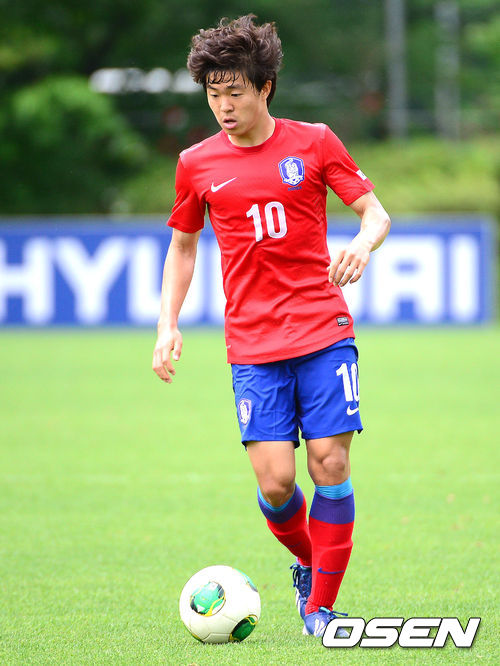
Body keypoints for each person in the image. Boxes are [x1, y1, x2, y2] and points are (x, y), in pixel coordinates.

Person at [152, 14, 390, 639]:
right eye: (213, 94)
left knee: (329, 463)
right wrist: (167, 324)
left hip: (323, 330)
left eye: (235, 92)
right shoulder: (196, 163)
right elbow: (183, 247)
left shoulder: (314, 142)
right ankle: (313, 563)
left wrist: (362, 244)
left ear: (265, 87)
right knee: (277, 483)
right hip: (253, 344)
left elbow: (374, 213)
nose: (223, 106)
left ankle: (321, 609)